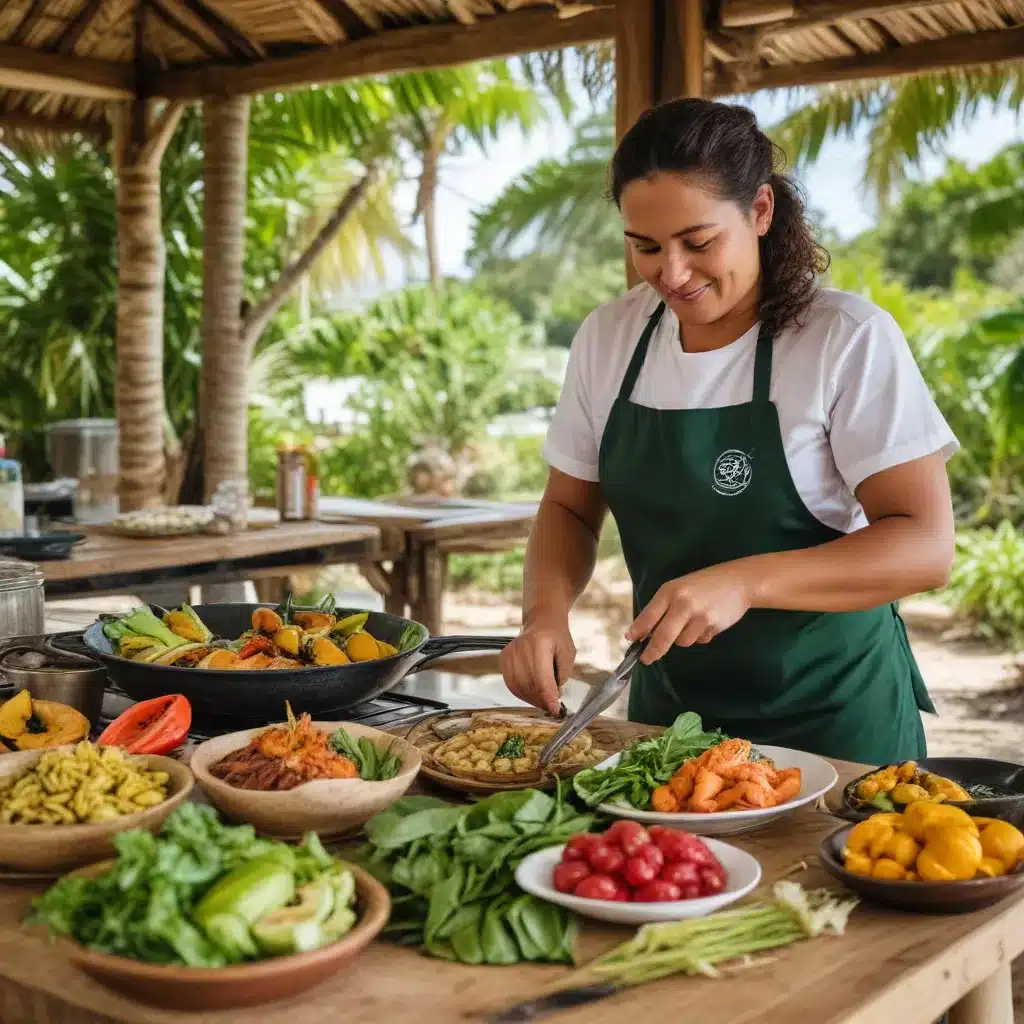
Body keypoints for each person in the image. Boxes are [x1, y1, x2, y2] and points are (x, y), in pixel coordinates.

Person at [499, 98, 958, 763]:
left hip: (833, 727)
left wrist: (745, 582)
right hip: (668, 727)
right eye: (646, 247)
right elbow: (570, 506)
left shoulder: (843, 339)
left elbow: (925, 545)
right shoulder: (609, 339)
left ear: (761, 211)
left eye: (699, 242)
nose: (672, 273)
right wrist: (543, 616)